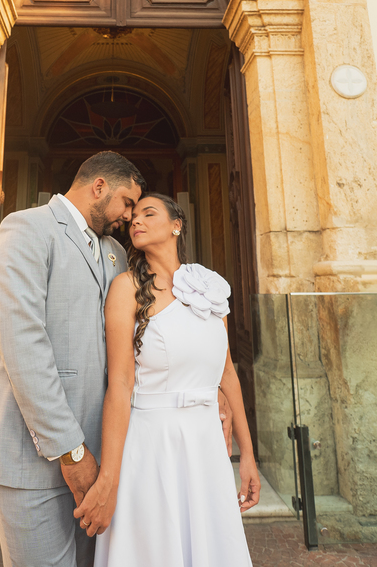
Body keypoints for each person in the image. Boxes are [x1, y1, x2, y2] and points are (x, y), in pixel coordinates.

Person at [0, 151, 146, 567]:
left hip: (98, 461)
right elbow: (24, 344)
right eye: (126, 202)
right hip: (31, 458)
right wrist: (72, 451)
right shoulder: (26, 228)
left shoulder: (115, 254)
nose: (129, 216)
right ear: (98, 187)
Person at [75, 193, 259, 566]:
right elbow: (120, 386)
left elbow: (225, 373)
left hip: (205, 443)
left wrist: (248, 455)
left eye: (149, 213)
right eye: (134, 216)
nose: (136, 221)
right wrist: (108, 478)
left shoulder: (210, 287)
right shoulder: (126, 289)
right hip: (151, 443)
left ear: (177, 225)